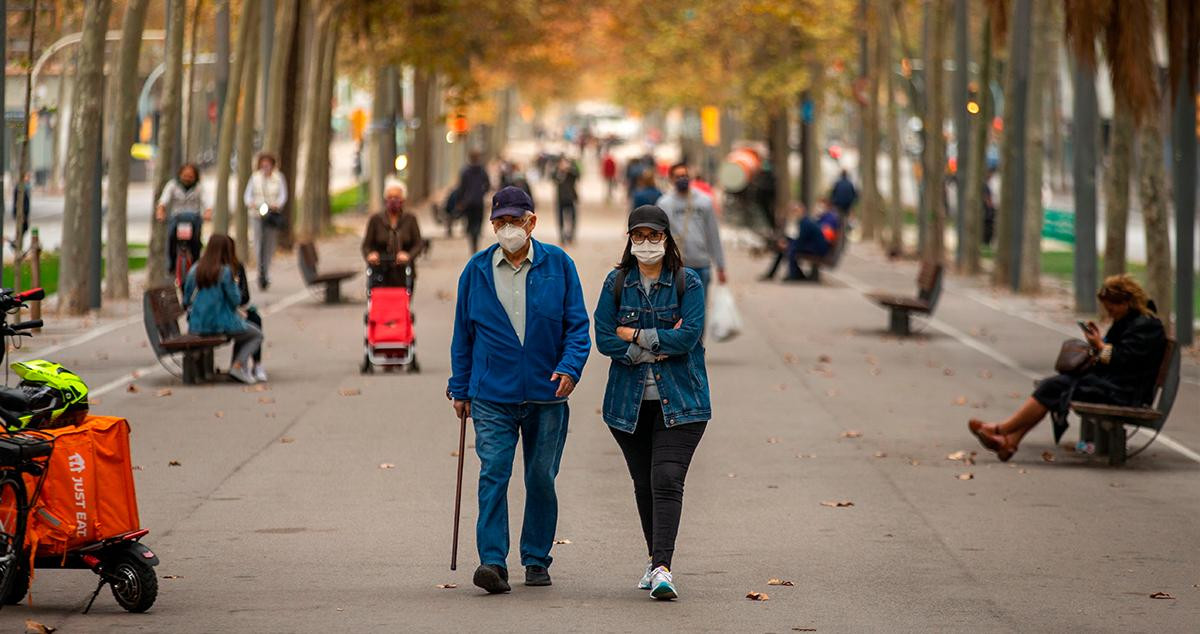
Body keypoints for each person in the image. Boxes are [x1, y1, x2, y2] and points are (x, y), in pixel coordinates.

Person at [447, 186, 591, 594]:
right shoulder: (475, 271)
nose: (508, 228)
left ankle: (535, 557)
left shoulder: (559, 265)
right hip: (492, 394)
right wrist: (460, 389)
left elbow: (578, 327)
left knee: (541, 477)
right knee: (493, 472)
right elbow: (463, 336)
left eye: (515, 220)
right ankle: (492, 561)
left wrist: (570, 368)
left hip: (547, 394)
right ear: (492, 224)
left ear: (532, 222)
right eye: (501, 221)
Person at [593, 204, 709, 601]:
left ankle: (663, 568)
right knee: (644, 484)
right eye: (638, 236)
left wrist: (636, 335)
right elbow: (605, 338)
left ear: (666, 238)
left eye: (654, 236)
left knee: (665, 479)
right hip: (628, 405)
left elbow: (688, 337)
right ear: (629, 240)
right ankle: (653, 558)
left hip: (682, 402)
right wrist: (655, 343)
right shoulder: (616, 282)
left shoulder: (686, 282)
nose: (646, 243)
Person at [968, 274, 1166, 461]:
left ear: (1126, 302)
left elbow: (1123, 360)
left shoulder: (1146, 326)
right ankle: (1010, 442)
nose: (1109, 313)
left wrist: (1099, 346)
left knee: (1054, 387)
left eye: (1111, 308)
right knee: (1054, 385)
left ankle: (1001, 430)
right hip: (1114, 385)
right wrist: (1099, 344)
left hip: (1125, 392)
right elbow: (1115, 356)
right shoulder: (1129, 321)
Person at [183, 235, 263, 385]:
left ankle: (238, 367)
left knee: (247, 329)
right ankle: (238, 365)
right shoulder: (225, 272)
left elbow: (186, 300)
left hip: (196, 325)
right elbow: (236, 300)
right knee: (256, 334)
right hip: (221, 325)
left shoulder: (194, 269)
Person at [656, 163, 727, 290]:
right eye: (678, 176)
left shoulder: (704, 201)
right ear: (671, 179)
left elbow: (713, 233)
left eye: (684, 175)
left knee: (699, 307)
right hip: (675, 265)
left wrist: (720, 265)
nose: (682, 179)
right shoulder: (663, 204)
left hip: (701, 264)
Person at [361, 180, 424, 291]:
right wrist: (370, 255)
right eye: (390, 197)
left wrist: (408, 256)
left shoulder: (410, 219)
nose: (393, 200)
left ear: (403, 199)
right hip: (380, 272)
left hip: (403, 273)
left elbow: (418, 244)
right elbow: (366, 245)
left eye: (397, 197)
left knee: (401, 304)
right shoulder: (376, 220)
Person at [156, 163, 211, 277]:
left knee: (196, 241)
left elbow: (207, 202)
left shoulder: (199, 187)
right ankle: (171, 263)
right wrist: (161, 211)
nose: (187, 178)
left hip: (193, 218)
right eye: (185, 175)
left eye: (190, 176)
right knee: (171, 237)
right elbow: (163, 200)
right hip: (177, 218)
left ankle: (196, 263)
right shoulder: (172, 185)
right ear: (180, 175)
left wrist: (208, 212)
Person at [243, 152, 288, 290]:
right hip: (257, 214)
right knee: (258, 242)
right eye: (263, 164)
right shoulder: (255, 178)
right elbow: (247, 195)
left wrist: (277, 205)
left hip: (271, 214)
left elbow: (283, 195)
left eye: (267, 164)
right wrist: (251, 203)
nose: (265, 167)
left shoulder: (278, 178)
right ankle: (259, 269)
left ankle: (266, 270)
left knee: (269, 243)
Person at [233, 259, 267, 383]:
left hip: (225, 314)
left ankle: (255, 364)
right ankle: (238, 365)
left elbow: (244, 296)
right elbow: (231, 298)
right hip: (221, 319)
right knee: (256, 334)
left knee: (254, 318)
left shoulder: (236, 265)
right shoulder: (222, 272)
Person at [456, 150, 492, 254]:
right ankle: (475, 240)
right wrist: (482, 192)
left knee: (470, 222)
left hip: (468, 202)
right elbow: (488, 185)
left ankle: (472, 243)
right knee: (478, 222)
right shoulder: (482, 170)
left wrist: (460, 201)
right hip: (479, 202)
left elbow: (461, 188)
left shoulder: (465, 171)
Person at [553, 156, 580, 245]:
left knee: (572, 218)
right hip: (560, 198)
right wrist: (560, 171)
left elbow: (577, 175)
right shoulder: (557, 173)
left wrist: (569, 168)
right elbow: (554, 178)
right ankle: (562, 237)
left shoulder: (571, 172)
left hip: (571, 198)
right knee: (560, 219)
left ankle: (571, 236)